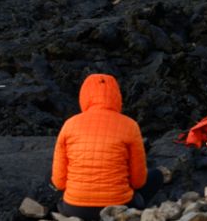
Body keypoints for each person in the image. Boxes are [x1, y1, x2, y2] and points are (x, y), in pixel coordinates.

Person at [51, 73, 163, 219]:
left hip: (75, 209)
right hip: (119, 206)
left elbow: (59, 183)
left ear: (84, 96)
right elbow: (138, 181)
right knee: (156, 176)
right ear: (116, 96)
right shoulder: (130, 125)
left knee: (52, 174)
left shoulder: (69, 124)